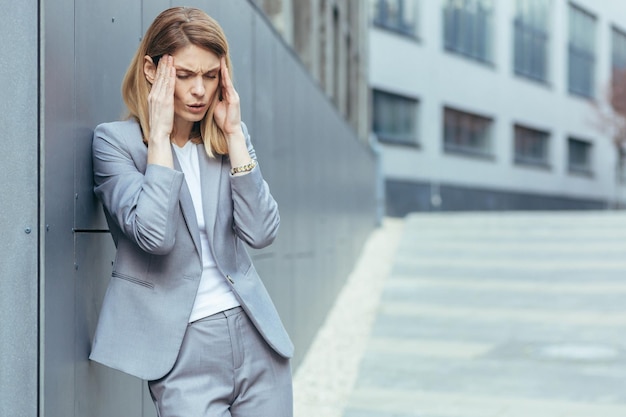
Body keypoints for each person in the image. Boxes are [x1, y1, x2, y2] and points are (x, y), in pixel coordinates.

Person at [89, 7, 293, 417]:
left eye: (210, 75)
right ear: (152, 70)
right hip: (181, 350)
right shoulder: (115, 144)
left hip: (255, 338)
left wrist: (234, 134)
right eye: (184, 76)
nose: (199, 90)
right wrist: (161, 139)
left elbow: (261, 232)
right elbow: (155, 235)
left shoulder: (226, 141)